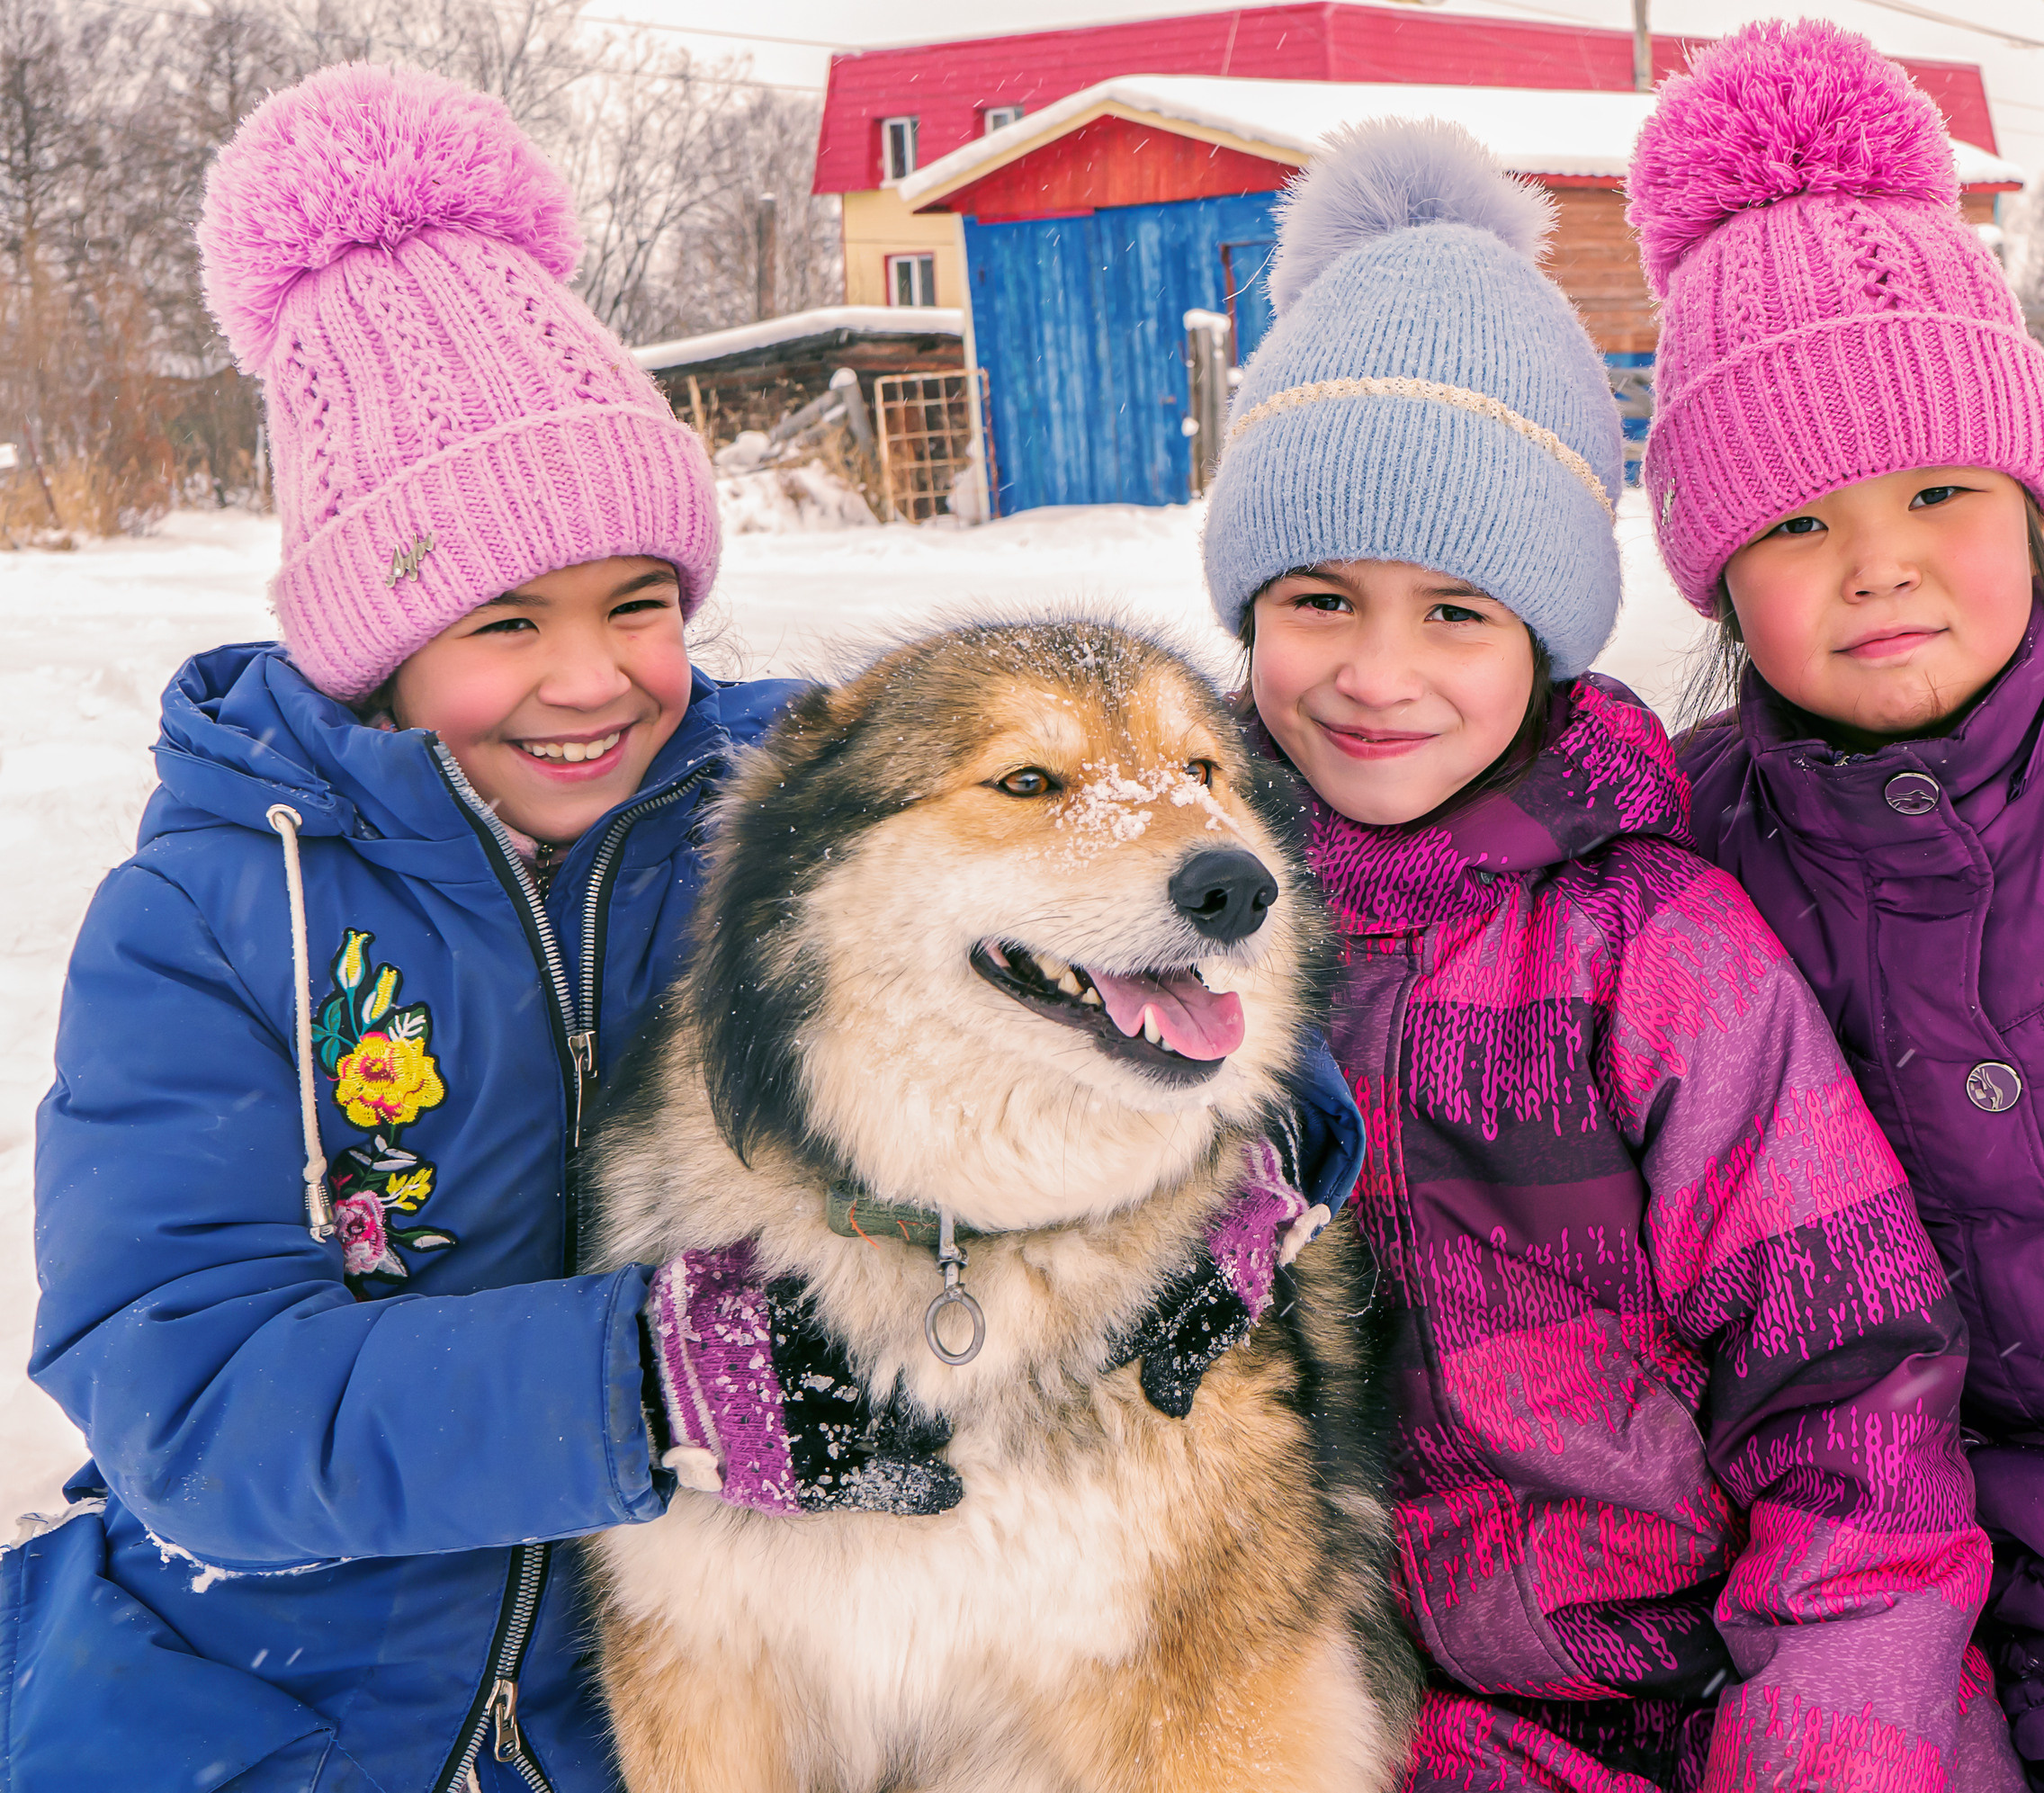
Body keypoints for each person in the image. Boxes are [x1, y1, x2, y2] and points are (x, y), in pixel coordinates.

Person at [0, 66, 1359, 1792]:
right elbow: (189, 1406)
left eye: (638, 604)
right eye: (504, 619)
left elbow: (1092, 932)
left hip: (621, 1709)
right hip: (274, 1700)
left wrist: (1263, 1160)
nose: (590, 682)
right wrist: (644, 1394)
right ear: (370, 636)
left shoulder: (768, 791)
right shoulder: (209, 916)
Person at [1199, 117, 2018, 1793]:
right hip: (1326, 1712)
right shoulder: (1194, 930)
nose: (1377, 672)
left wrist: (1823, 1748)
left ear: (1549, 634)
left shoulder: (1655, 951)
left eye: (1456, 611)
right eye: (1318, 598)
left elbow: (1848, 1390)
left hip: (1692, 1698)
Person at [1629, 20, 2044, 1792]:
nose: (1877, 564)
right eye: (1792, 524)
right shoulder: (1686, 868)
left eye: (1935, 490)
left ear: (2028, 494)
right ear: (1714, 566)